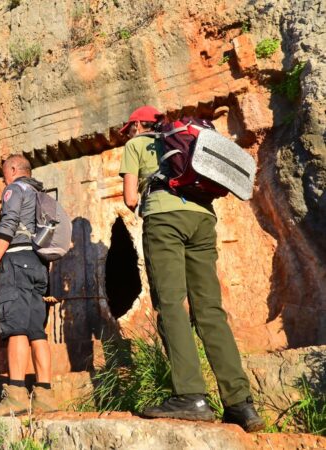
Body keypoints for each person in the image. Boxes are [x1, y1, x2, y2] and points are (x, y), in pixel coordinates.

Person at [119, 105, 264, 431]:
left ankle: (191, 396)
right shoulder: (189, 141)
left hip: (164, 220)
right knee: (210, 311)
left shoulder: (136, 145)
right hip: (202, 219)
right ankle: (241, 403)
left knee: (171, 304)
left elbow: (130, 199)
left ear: (140, 124)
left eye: (129, 127)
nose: (127, 133)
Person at [0, 154, 57, 416]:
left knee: (16, 327)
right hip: (39, 266)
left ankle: (15, 395)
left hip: (17, 262)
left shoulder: (15, 188)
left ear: (14, 169)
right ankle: (45, 397)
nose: (3, 177)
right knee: (36, 330)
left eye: (4, 172)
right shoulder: (41, 194)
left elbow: (9, 223)